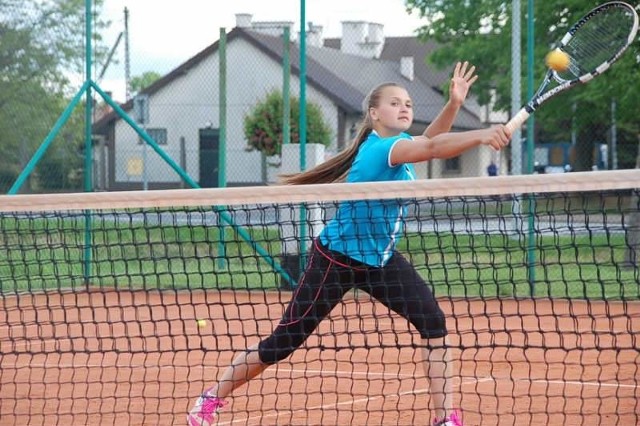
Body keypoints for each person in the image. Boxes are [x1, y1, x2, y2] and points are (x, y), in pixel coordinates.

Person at [188, 62, 511, 426]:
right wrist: (484, 133)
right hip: (337, 260)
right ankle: (210, 399)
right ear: (374, 114)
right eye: (395, 102)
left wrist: (453, 104)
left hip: (380, 261)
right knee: (284, 342)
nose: (405, 107)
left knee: (433, 321)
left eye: (408, 103)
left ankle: (445, 419)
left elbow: (429, 141)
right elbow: (435, 146)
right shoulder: (380, 151)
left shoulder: (401, 149)